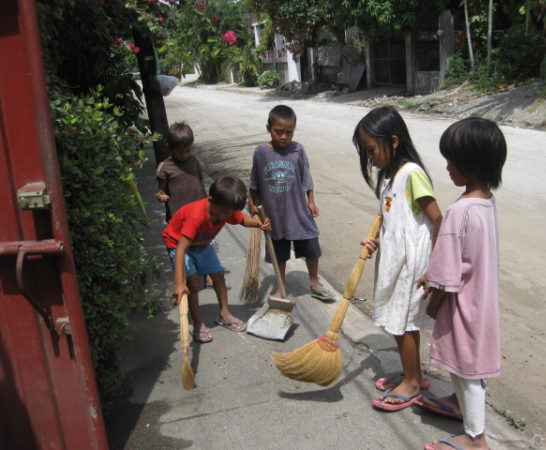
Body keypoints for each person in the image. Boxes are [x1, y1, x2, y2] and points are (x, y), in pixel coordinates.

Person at [419, 117, 507, 450]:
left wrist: (433, 304)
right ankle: (462, 410)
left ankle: (475, 439)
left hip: (463, 306)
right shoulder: (485, 204)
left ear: (470, 163)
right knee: (471, 367)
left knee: (466, 370)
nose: (447, 168)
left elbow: (445, 275)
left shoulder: (459, 211)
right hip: (482, 302)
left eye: (451, 161)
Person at [355, 106, 442, 411]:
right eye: (365, 152)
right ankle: (412, 373)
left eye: (371, 149)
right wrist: (375, 240)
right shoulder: (388, 177)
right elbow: (392, 221)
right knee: (397, 321)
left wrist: (437, 266)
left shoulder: (411, 174)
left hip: (412, 263)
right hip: (395, 260)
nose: (370, 158)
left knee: (404, 323)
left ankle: (413, 384)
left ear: (393, 141)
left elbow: (437, 218)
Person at [163, 176, 270, 343]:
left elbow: (242, 219)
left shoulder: (225, 210)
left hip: (202, 244)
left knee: (218, 276)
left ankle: (225, 314)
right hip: (178, 244)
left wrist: (258, 224)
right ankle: (197, 323)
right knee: (193, 283)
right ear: (211, 201)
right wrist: (178, 283)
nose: (227, 216)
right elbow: (181, 248)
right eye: (226, 212)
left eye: (230, 212)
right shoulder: (196, 217)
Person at [247, 105, 334, 301]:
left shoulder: (298, 150)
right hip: (274, 215)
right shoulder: (261, 152)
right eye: (279, 132)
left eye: (289, 132)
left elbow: (306, 177)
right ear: (268, 128)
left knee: (311, 245)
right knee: (280, 252)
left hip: (298, 211)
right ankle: (281, 286)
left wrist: (311, 201)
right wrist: (251, 202)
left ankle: (314, 282)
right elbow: (254, 180)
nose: (284, 137)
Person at [156, 121, 213, 290]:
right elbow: (161, 190)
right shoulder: (165, 168)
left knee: (205, 244)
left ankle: (209, 276)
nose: (184, 155)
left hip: (201, 213)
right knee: (183, 249)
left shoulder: (194, 161)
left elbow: (201, 182)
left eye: (188, 150)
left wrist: (209, 202)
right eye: (179, 152)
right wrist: (162, 195)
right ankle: (183, 282)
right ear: (170, 148)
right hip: (179, 218)